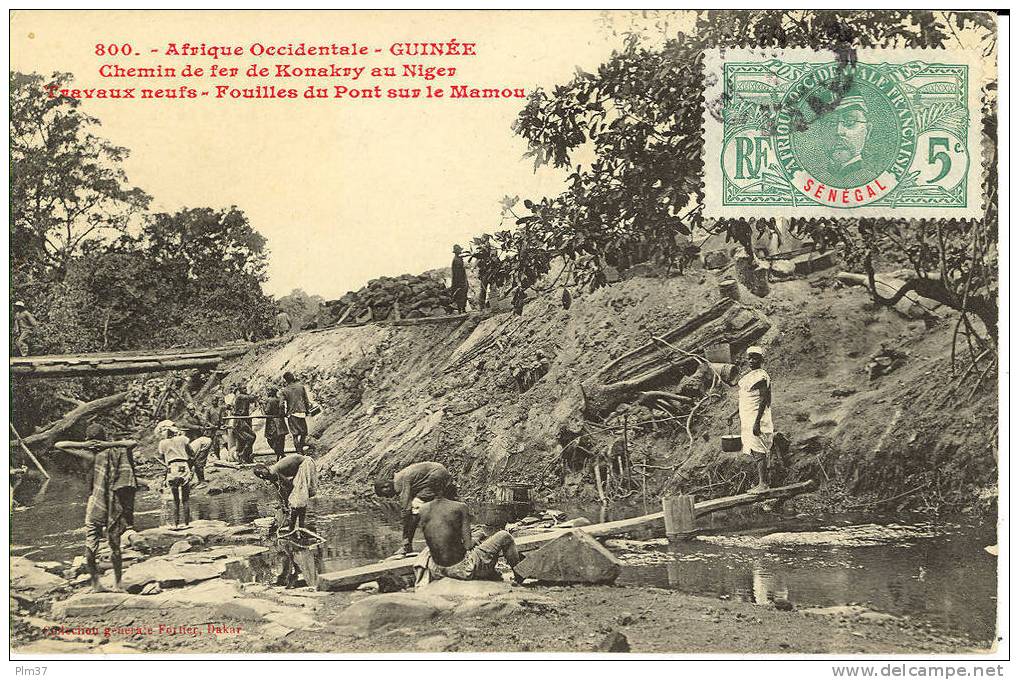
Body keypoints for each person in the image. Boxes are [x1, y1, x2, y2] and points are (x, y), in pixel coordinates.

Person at [54, 424, 138, 592]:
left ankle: (95, 584)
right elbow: (132, 443)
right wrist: (107, 444)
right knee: (115, 544)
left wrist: (86, 445)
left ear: (88, 439)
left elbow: (59, 445)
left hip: (95, 503)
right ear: (105, 437)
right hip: (114, 502)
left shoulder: (87, 455)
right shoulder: (115, 452)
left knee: (91, 542)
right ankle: (118, 584)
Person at [414, 488, 524, 585]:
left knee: (478, 535)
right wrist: (476, 539)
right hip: (461, 569)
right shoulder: (460, 507)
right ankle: (520, 575)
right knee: (504, 536)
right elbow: (468, 545)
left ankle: (491, 573)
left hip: (437, 569)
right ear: (454, 496)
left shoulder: (424, 509)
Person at [374, 461, 452, 556]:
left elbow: (406, 511)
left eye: (385, 495)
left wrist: (405, 536)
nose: (388, 498)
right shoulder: (400, 478)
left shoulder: (400, 483)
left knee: (416, 507)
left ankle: (407, 546)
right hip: (438, 472)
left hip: (436, 475)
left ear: (385, 487)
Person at [727, 346, 774, 493]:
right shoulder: (750, 376)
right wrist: (733, 415)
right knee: (754, 450)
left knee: (758, 449)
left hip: (756, 417)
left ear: (761, 360)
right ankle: (762, 481)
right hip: (747, 417)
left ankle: (763, 484)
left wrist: (757, 422)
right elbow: (746, 400)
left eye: (755, 358)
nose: (751, 361)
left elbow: (764, 400)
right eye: (749, 358)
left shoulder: (761, 376)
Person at [254, 453, 318, 536]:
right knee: (298, 499)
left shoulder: (273, 471)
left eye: (262, 472)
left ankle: (296, 528)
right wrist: (284, 504)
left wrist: (289, 502)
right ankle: (298, 527)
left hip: (305, 463)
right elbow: (280, 489)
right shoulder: (271, 474)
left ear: (265, 468)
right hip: (302, 466)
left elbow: (289, 485)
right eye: (260, 475)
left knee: (298, 499)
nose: (262, 475)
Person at [156, 420, 194, 527]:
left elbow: (162, 457)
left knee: (175, 500)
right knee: (185, 499)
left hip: (171, 469)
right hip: (183, 466)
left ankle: (176, 524)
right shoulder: (182, 439)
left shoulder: (162, 443)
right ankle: (187, 524)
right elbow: (191, 452)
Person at [282, 372, 311, 454]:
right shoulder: (301, 387)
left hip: (292, 414)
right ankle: (302, 447)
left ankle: (299, 452)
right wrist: (307, 411)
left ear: (286, 380)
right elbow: (306, 400)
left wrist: (284, 413)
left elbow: (281, 404)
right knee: (304, 433)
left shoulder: (285, 390)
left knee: (295, 435)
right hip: (302, 412)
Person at [230, 386, 258, 464]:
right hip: (239, 421)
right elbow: (251, 398)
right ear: (240, 390)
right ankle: (242, 455)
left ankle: (247, 457)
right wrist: (255, 396)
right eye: (244, 389)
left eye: (246, 388)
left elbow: (251, 400)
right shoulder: (240, 396)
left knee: (249, 438)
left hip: (244, 420)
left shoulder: (243, 397)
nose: (246, 390)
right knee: (250, 438)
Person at [263, 387, 288, 460]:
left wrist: (263, 405)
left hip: (272, 422)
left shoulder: (270, 400)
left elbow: (267, 411)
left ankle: (278, 453)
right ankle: (281, 454)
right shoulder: (279, 399)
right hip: (281, 421)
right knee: (281, 440)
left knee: (271, 439)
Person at [450, 244, 468, 314]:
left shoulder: (458, 259)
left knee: (462, 294)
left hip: (461, 279)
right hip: (460, 280)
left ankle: (462, 309)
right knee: (461, 294)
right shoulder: (456, 260)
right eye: (459, 251)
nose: (460, 252)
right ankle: (461, 310)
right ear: (456, 252)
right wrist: (460, 282)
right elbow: (457, 273)